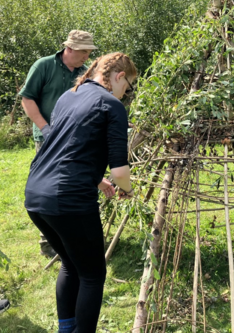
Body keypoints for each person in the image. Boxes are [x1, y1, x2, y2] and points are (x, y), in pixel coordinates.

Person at [24, 52, 137, 333]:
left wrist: (97, 180)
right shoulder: (112, 106)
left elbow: (68, 147)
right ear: (118, 76)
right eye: (128, 86)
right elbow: (120, 171)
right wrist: (129, 191)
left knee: (71, 265)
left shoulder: (69, 95)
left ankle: (67, 329)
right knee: (93, 275)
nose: (126, 93)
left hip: (36, 194)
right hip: (69, 200)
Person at [19, 30, 98, 258]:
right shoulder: (43, 66)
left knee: (70, 187)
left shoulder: (85, 73)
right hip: (47, 139)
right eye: (83, 51)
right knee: (48, 187)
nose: (86, 56)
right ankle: (49, 243)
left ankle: (71, 238)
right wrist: (45, 128)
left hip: (75, 140)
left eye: (89, 52)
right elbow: (28, 98)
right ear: (69, 48)